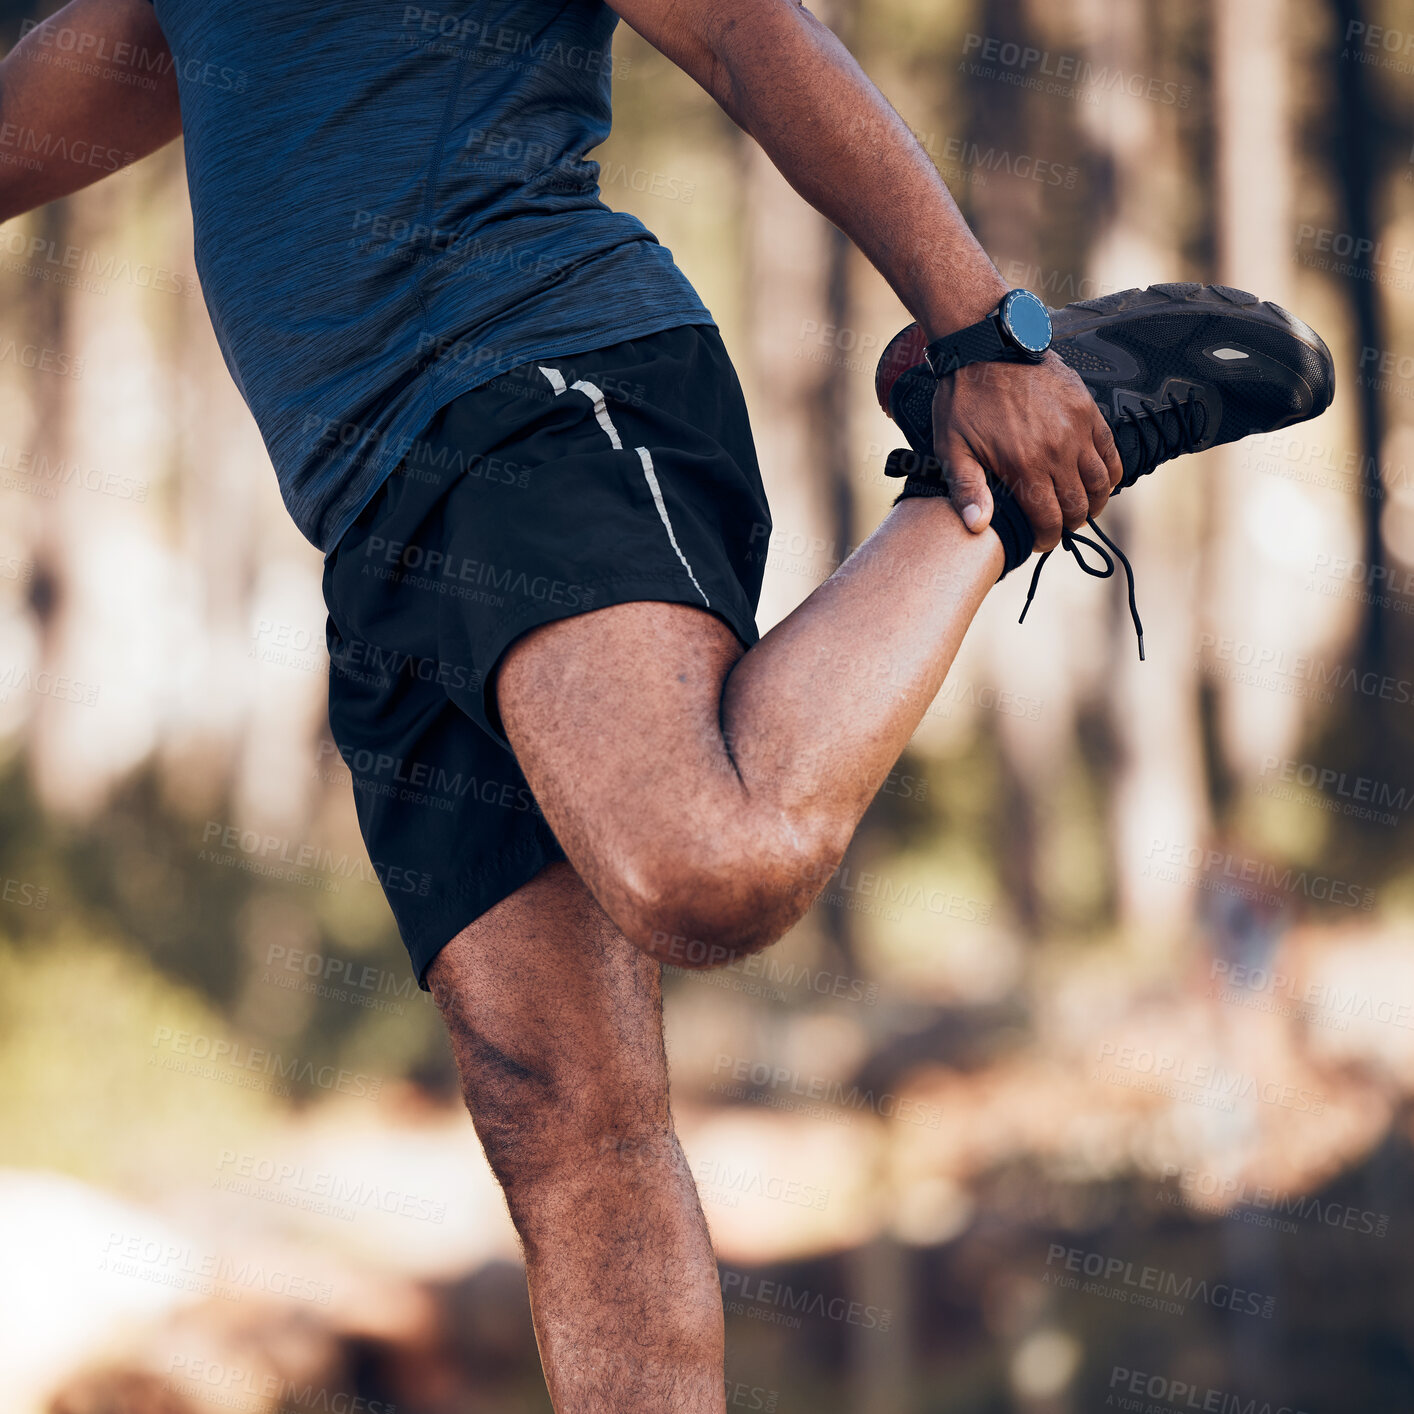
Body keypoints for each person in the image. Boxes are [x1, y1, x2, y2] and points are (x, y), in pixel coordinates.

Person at [0, 0, 1333, 1408]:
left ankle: (1036, 454)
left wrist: (979, 337)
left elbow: (749, 32)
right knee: (557, 1116)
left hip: (538, 391)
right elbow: (133, 66)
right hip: (371, 517)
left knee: (705, 864)